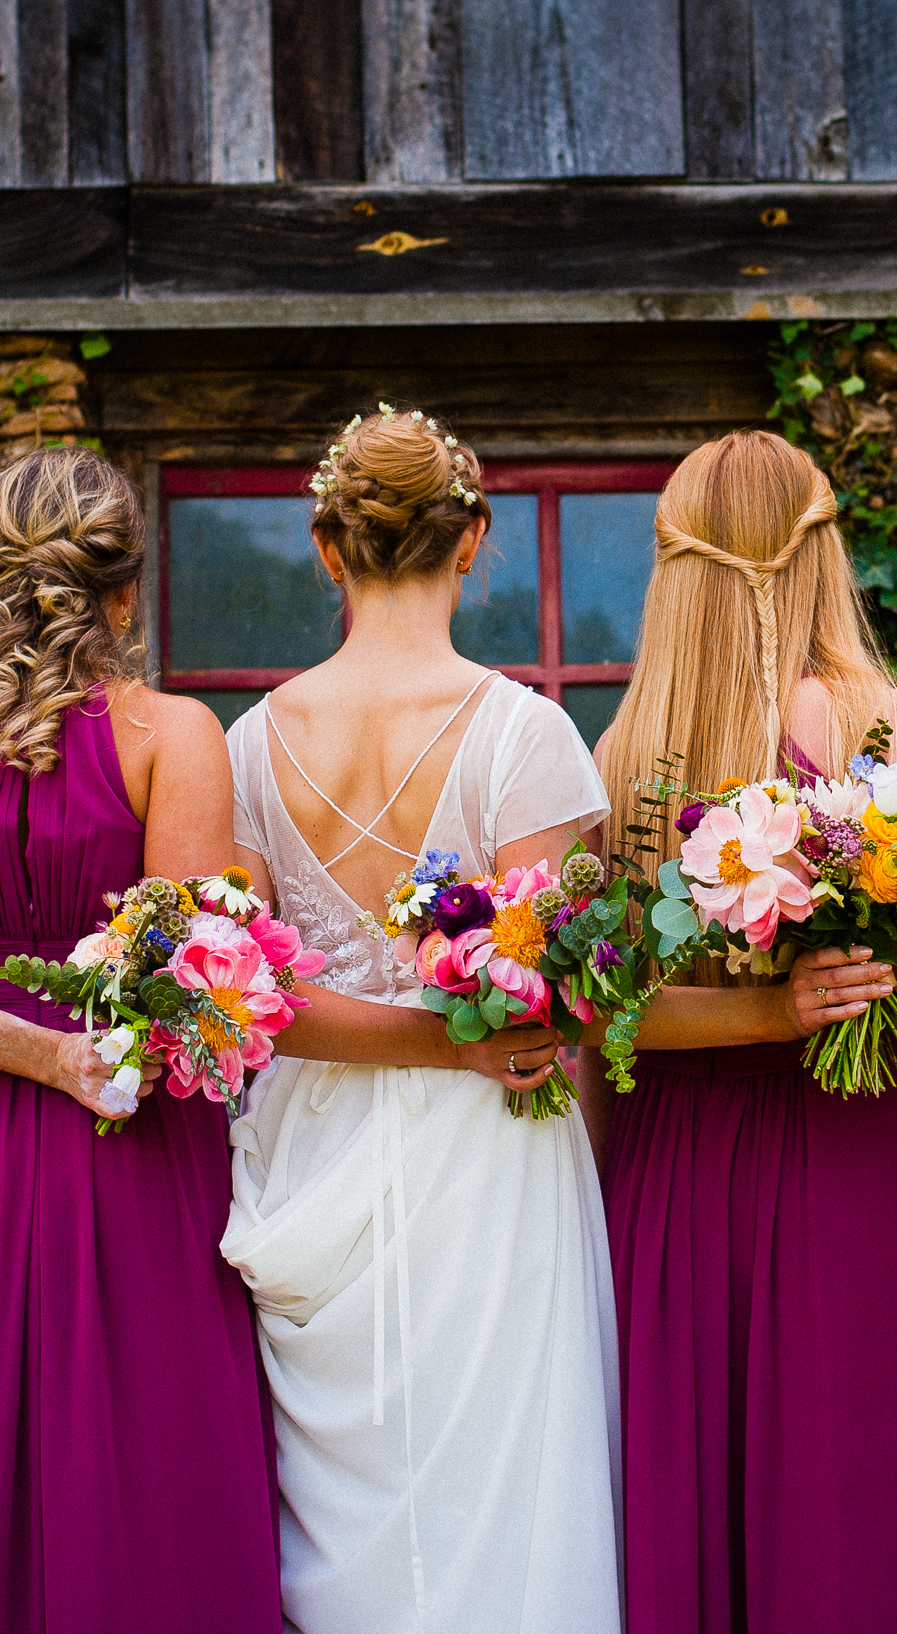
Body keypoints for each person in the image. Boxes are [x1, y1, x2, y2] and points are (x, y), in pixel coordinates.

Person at [0, 446, 282, 1634]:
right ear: (128, 594)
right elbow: (188, 980)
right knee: (148, 1458)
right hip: (129, 1126)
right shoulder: (172, 734)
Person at [584, 429, 897, 1634]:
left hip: (677, 1174)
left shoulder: (626, 755)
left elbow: (607, 1009)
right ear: (823, 555)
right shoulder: (890, 724)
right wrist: (789, 1005)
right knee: (863, 1507)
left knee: (701, 1490)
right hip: (851, 1156)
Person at [218, 407, 622, 1634]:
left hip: (309, 1146)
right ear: (475, 543)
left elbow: (247, 1006)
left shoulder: (248, 745)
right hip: (490, 1137)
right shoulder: (528, 736)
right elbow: (565, 996)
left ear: (326, 551)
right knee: (508, 1472)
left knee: (342, 1502)